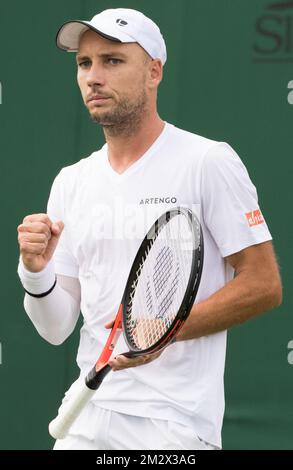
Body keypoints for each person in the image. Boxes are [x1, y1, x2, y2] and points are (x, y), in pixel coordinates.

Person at [17, 8, 282, 450]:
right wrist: (35, 272)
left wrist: (166, 330)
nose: (93, 77)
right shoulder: (71, 181)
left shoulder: (207, 161)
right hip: (87, 416)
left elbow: (264, 284)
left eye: (112, 61)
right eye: (84, 64)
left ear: (154, 72)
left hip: (172, 426)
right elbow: (55, 327)